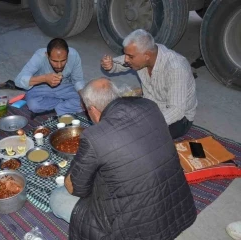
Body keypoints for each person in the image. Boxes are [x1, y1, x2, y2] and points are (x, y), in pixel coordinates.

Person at [50, 78, 197, 239]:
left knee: (58, 197)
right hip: (177, 212)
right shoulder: (150, 106)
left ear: (91, 109)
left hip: (135, 230)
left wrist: (77, 164)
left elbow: (76, 188)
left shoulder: (95, 136)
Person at [101, 29, 197, 139]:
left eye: (130, 57)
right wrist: (111, 65)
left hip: (178, 119)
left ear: (147, 55)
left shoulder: (176, 68)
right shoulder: (145, 54)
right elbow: (118, 64)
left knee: (137, 137)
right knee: (116, 109)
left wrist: (146, 123)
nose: (126, 59)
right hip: (150, 106)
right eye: (126, 55)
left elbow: (176, 111)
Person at [14, 38, 85, 116]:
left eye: (63, 60)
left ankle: (61, 107)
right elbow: (18, 81)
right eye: (54, 61)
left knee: (87, 100)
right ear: (47, 55)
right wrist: (44, 78)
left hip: (65, 87)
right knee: (34, 106)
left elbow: (78, 80)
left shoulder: (74, 55)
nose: (59, 66)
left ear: (68, 55)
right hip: (40, 88)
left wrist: (83, 97)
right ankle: (64, 103)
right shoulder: (39, 56)